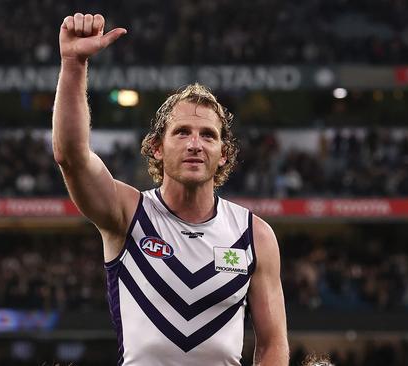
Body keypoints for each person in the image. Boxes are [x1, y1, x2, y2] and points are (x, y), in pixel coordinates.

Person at [53, 12, 289, 365]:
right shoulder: (127, 214)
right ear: (157, 148)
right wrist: (74, 64)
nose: (196, 144)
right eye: (182, 132)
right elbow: (71, 156)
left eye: (208, 135)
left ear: (223, 154)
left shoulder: (255, 235)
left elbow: (272, 346)